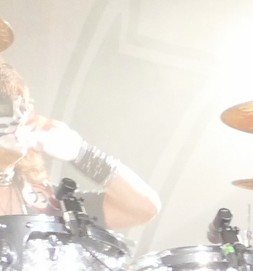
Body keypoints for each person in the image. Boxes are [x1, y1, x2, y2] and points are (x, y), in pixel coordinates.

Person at [0, 60, 160, 229]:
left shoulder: (49, 203)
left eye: (23, 108)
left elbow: (144, 208)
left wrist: (83, 154)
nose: (19, 118)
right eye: (3, 107)